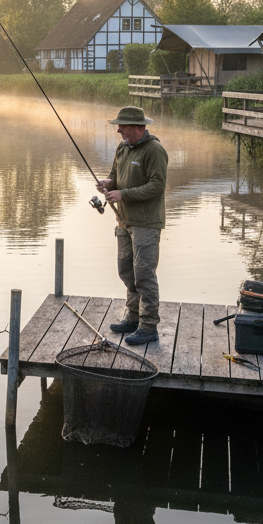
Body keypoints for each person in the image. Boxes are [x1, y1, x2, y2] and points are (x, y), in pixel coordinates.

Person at [96, 106, 168, 345]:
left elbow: (157, 186)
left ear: (138, 127)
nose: (118, 130)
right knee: (126, 271)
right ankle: (133, 318)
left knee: (144, 274)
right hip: (123, 221)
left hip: (146, 223)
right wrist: (108, 183)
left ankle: (149, 326)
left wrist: (123, 194)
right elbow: (115, 177)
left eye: (123, 126)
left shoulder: (154, 150)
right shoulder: (122, 148)